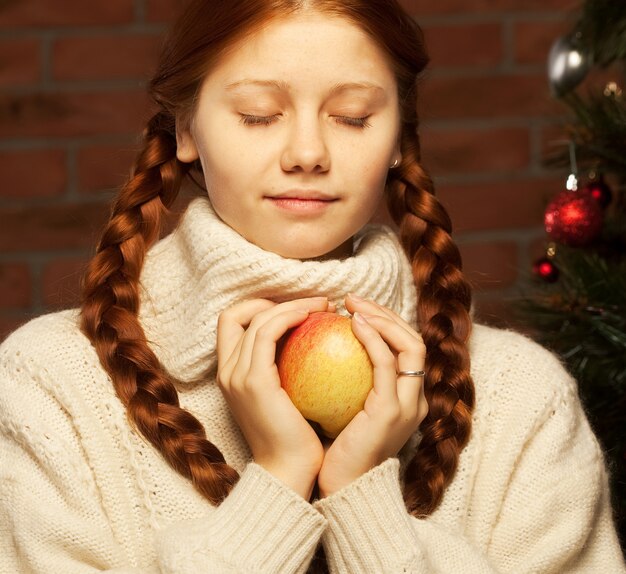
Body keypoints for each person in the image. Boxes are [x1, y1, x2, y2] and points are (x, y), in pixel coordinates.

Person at [0, 0, 624, 571]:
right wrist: (277, 482)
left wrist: (363, 501)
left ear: (400, 137)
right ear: (185, 130)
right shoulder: (51, 387)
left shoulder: (521, 398)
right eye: (258, 115)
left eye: (352, 118)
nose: (307, 152)